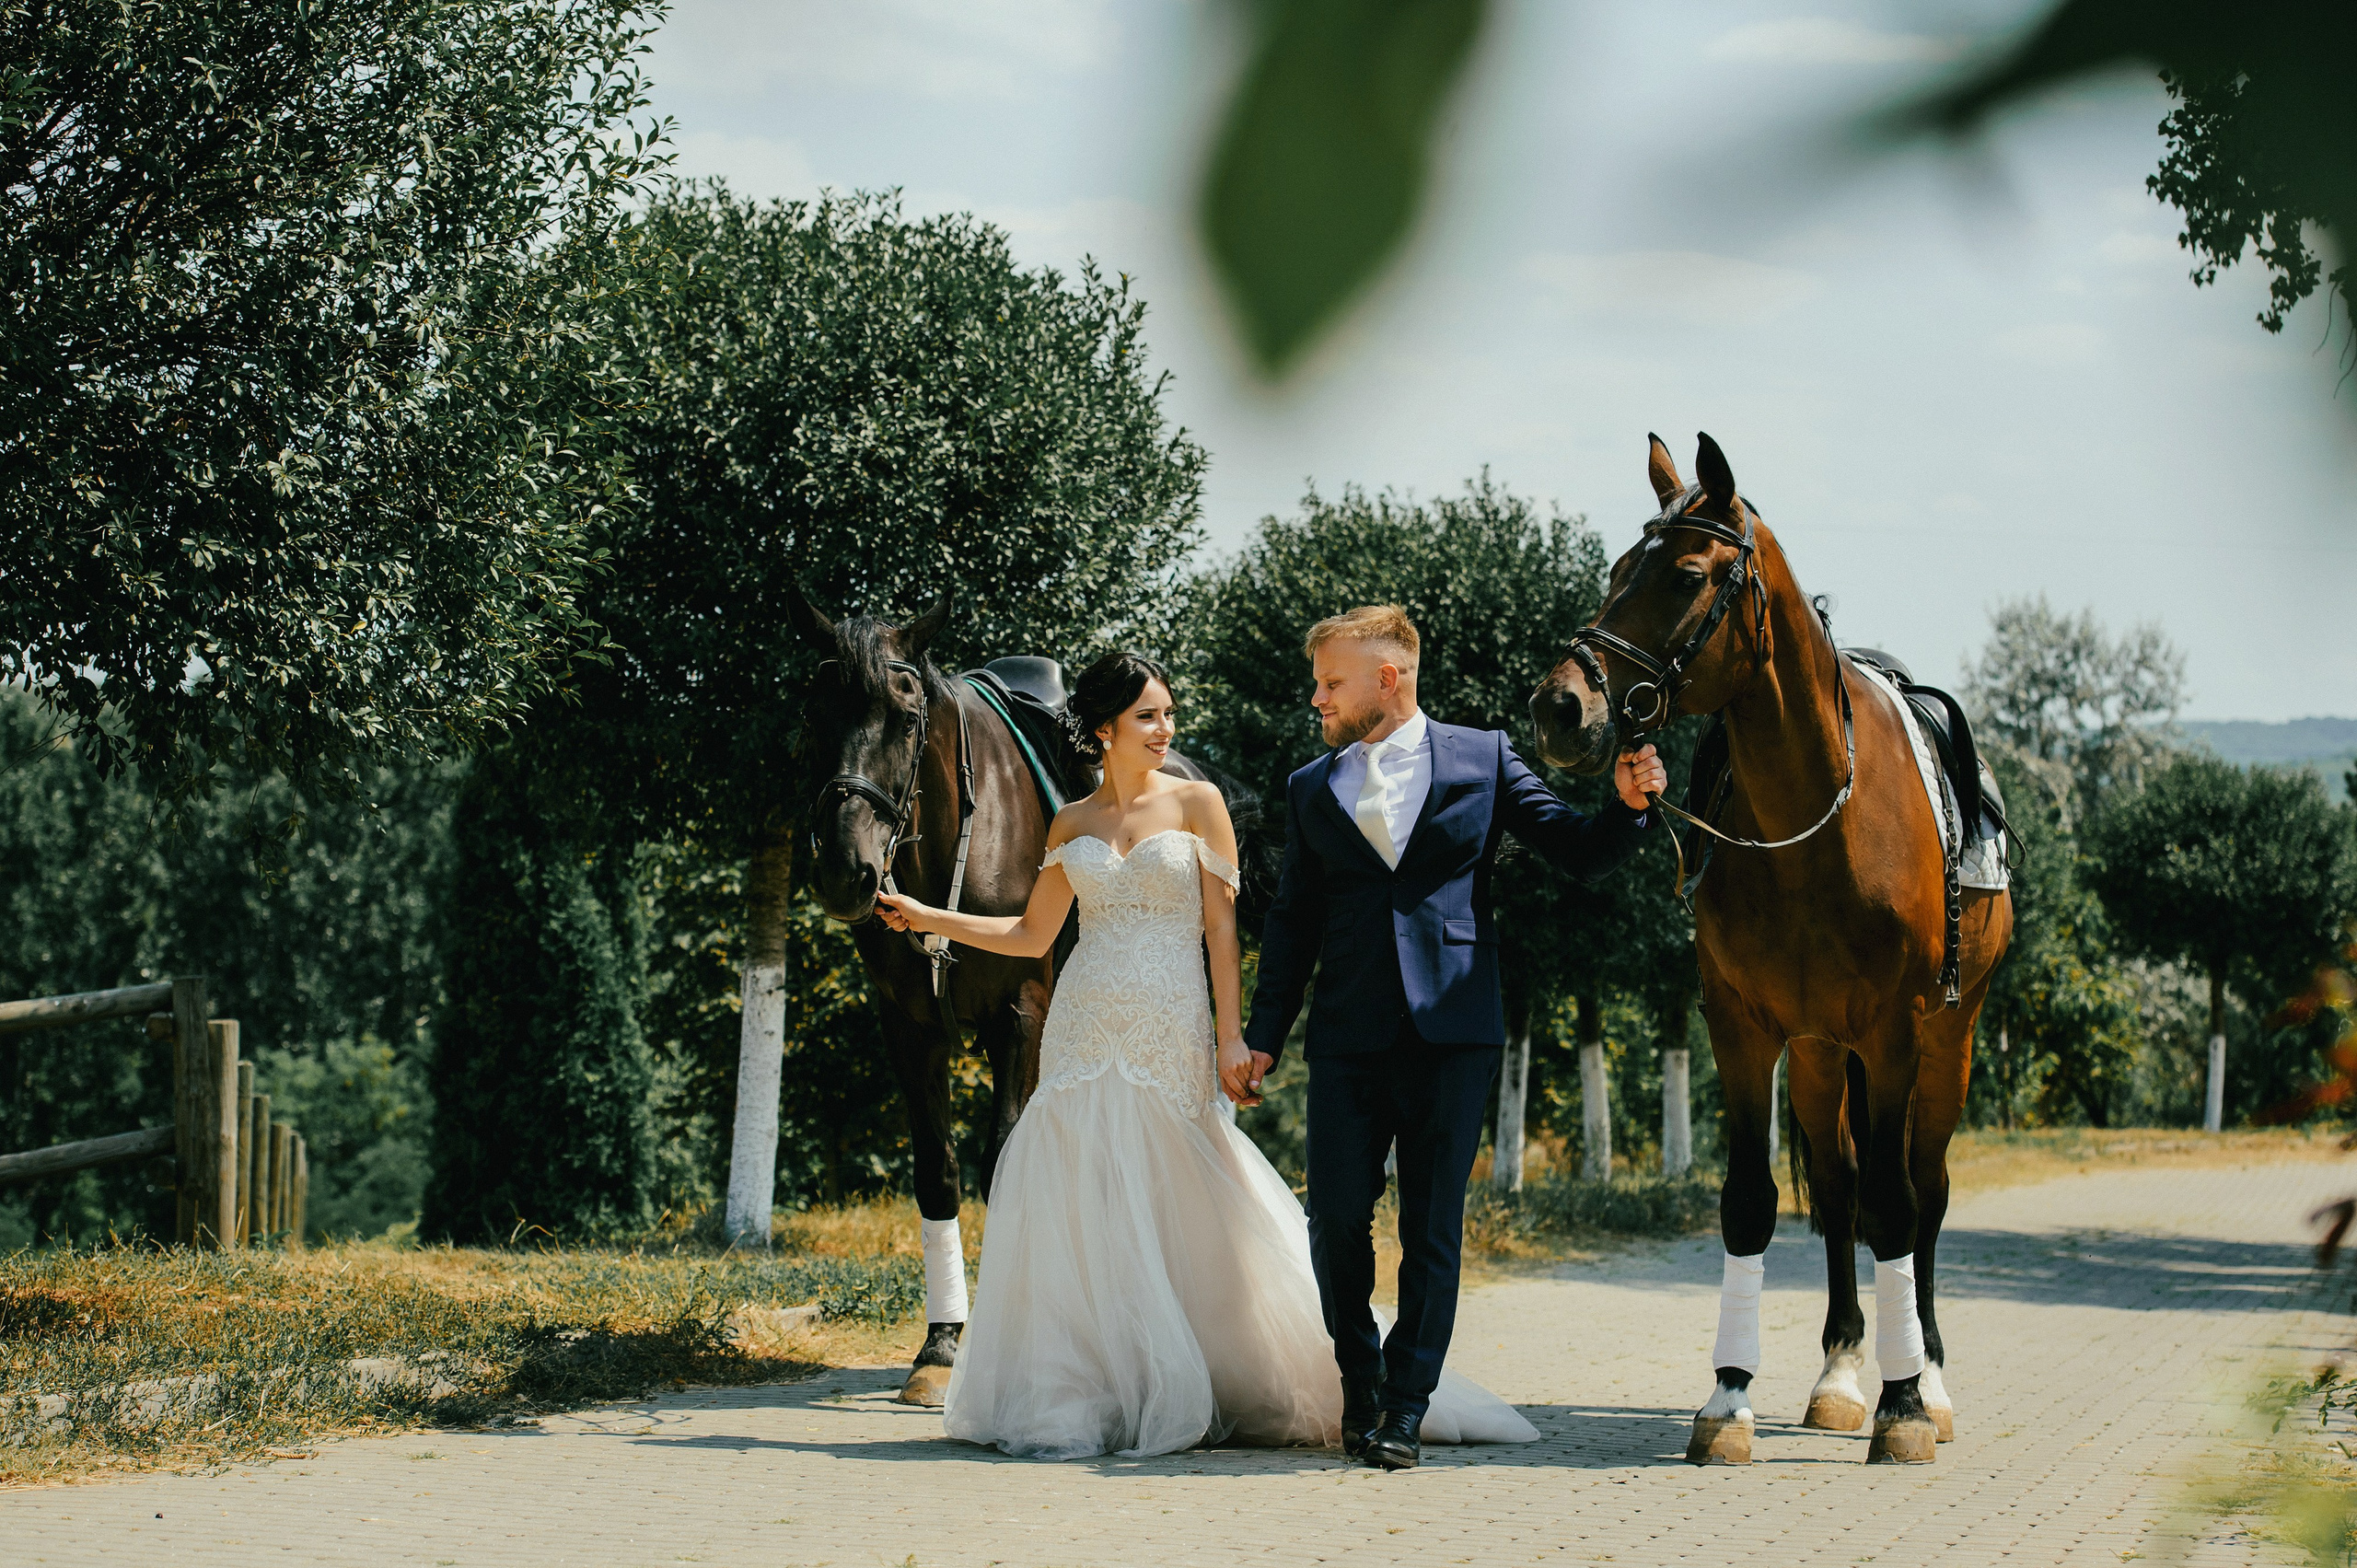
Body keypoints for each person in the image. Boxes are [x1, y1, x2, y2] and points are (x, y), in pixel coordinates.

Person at [876, 649, 1540, 1459]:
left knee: (1183, 1183)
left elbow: (1223, 931)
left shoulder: (1199, 803)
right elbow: (1032, 934)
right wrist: (927, 916)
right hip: (1085, 1022)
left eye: (1168, 713)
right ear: (1104, 729)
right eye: (1149, 716)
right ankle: (1098, 1384)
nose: (1166, 730)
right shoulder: (1071, 821)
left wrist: (1236, 1034)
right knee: (1084, 1191)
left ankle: (1271, 1372)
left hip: (1170, 1016)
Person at [1237, 606, 1666, 1469]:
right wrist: (1262, 1036)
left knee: (1433, 1228)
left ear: (1387, 679)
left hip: (1453, 1033)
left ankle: (1405, 1407)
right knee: (1335, 1226)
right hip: (1348, 1035)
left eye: (1332, 682)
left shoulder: (1485, 756)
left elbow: (1579, 850)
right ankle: (1359, 1385)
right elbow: (1292, 924)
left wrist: (1626, 809)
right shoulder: (1308, 787)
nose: (1316, 697)